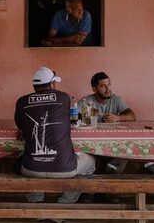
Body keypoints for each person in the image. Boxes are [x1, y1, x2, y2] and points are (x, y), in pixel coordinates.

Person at [15, 67, 96, 204]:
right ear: (52, 84)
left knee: (22, 157)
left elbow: (20, 126)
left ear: (34, 85)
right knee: (90, 161)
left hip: (32, 169)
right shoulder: (64, 97)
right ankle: (65, 202)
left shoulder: (22, 101)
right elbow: (72, 119)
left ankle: (36, 203)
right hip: (64, 168)